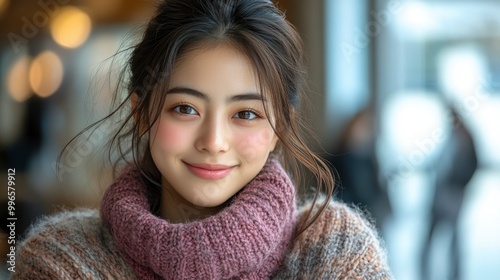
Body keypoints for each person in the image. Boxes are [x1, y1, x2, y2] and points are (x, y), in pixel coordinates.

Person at [12, 0, 393, 279]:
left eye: (245, 114)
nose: (214, 141)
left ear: (279, 128)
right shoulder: (61, 262)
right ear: (141, 112)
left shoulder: (334, 253)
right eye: (186, 109)